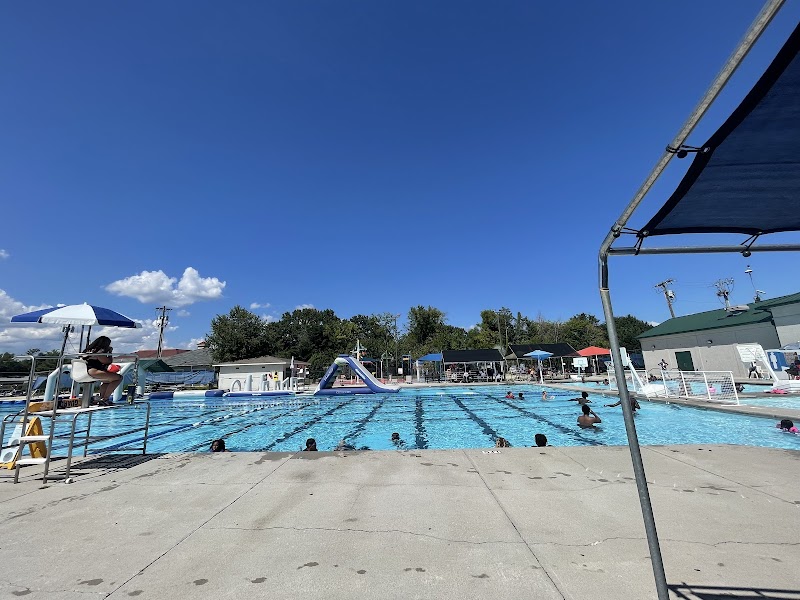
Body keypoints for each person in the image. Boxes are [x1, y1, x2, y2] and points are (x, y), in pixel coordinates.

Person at [82, 336, 122, 406]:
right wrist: (110, 353)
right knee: (119, 378)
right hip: (93, 371)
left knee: (107, 381)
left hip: (85, 371)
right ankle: (105, 398)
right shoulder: (99, 352)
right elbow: (107, 361)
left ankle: (102, 399)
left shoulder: (88, 350)